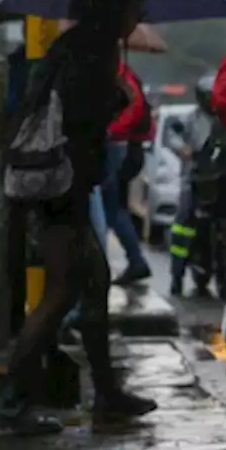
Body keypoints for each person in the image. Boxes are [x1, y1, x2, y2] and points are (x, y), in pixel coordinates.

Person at [0, 0, 158, 435]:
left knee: (95, 281)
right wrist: (116, 101)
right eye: (133, 9)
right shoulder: (88, 55)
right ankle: (10, 399)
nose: (138, 17)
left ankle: (106, 393)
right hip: (60, 189)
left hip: (61, 186)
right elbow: (81, 126)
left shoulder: (75, 48)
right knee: (63, 291)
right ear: (112, 12)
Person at [103, 61, 153, 286]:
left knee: (112, 209)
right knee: (114, 208)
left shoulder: (119, 72)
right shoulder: (122, 70)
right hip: (125, 146)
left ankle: (136, 260)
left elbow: (132, 109)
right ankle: (135, 260)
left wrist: (109, 131)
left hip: (118, 146)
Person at [168, 75, 218, 298]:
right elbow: (173, 135)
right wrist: (183, 149)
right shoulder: (190, 118)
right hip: (192, 181)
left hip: (216, 183)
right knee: (182, 226)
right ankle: (176, 274)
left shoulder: (224, 120)